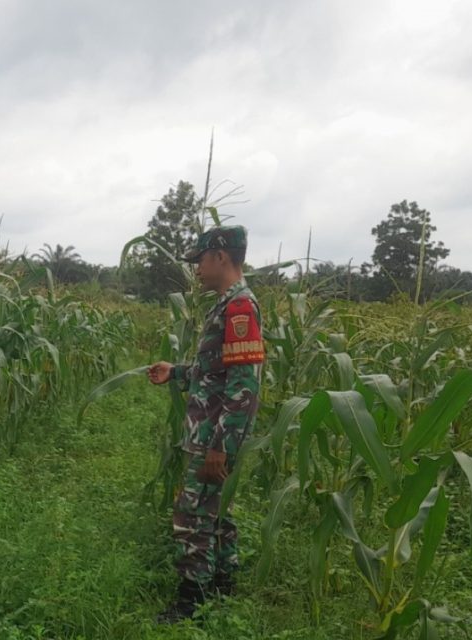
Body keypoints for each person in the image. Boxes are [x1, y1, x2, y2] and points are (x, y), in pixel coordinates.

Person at [146, 225, 264, 623]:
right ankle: (223, 583)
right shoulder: (226, 304)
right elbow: (215, 370)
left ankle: (190, 599)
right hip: (211, 430)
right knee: (216, 510)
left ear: (220, 257)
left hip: (214, 434)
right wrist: (176, 372)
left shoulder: (240, 307)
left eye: (200, 261)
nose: (196, 269)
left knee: (191, 513)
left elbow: (244, 385)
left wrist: (221, 447)